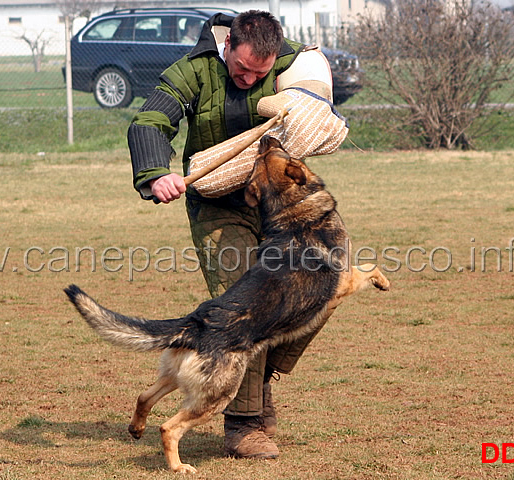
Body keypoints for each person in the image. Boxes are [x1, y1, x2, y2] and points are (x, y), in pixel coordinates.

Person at [127, 10, 330, 461]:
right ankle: (244, 426)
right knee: (243, 305)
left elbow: (318, 105)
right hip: (218, 206)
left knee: (320, 293)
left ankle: (256, 384)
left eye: (260, 73)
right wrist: (156, 173)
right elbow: (149, 123)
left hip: (282, 206)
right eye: (241, 69)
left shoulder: (293, 61)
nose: (249, 78)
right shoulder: (193, 70)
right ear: (227, 48)